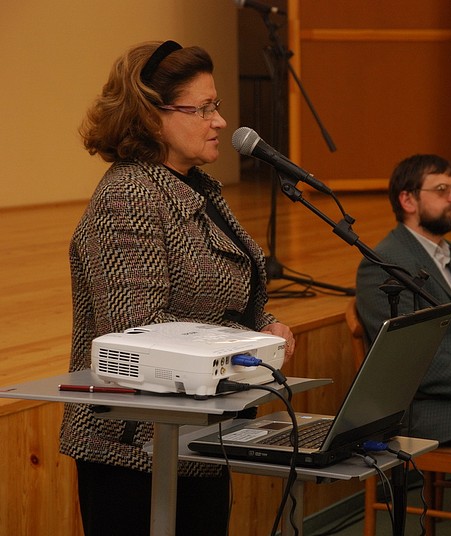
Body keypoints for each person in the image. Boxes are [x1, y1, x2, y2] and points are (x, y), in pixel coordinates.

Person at [59, 40, 295, 536]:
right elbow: (135, 330)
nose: (220, 121)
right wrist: (250, 344)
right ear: (151, 116)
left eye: (217, 106)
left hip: (196, 433)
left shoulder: (197, 187)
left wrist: (265, 324)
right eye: (202, 108)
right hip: (134, 449)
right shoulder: (129, 196)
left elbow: (225, 299)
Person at [356, 154, 451, 468]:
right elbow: (412, 359)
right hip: (437, 407)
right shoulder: (385, 266)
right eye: (442, 190)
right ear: (408, 200)